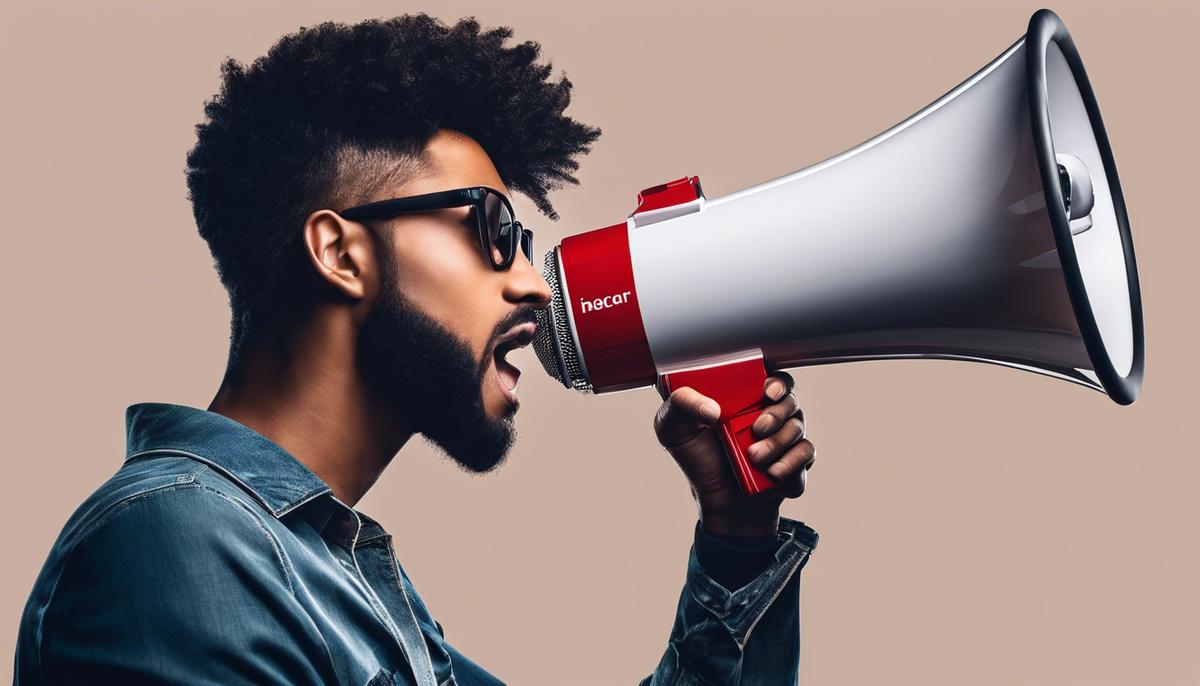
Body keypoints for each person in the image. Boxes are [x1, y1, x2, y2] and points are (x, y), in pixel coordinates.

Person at [14, 14, 818, 685]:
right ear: (339, 252)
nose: (536, 286)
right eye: (493, 232)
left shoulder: (341, 585)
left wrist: (736, 539)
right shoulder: (174, 546)